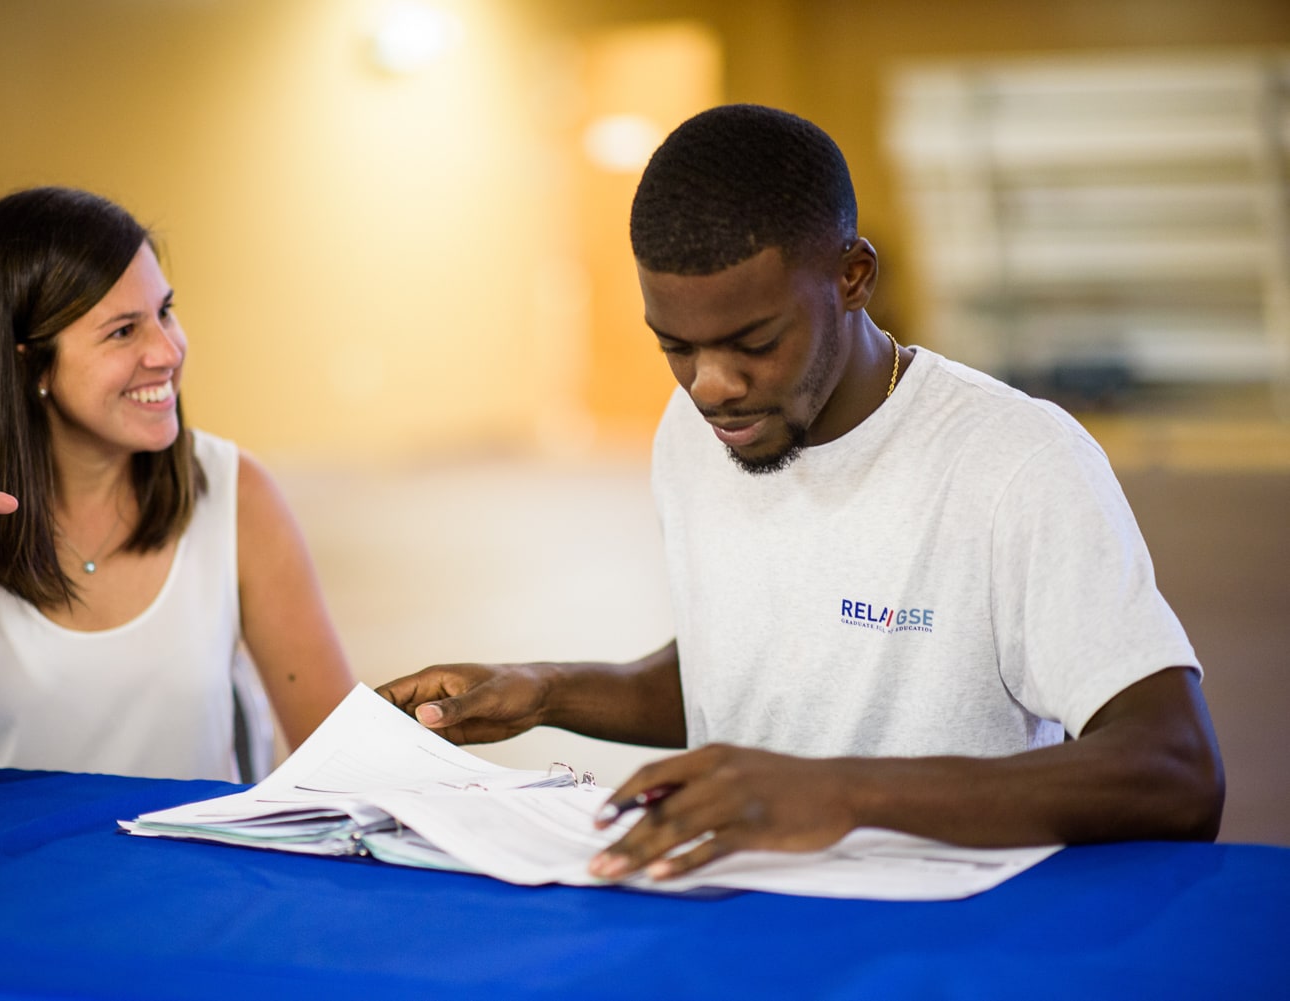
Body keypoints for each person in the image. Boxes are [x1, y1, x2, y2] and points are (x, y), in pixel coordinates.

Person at [379, 104, 1224, 882]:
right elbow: (751, 671)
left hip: (946, 939)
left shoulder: (1014, 461)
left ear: (853, 276)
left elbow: (1176, 767)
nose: (711, 385)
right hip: (739, 919)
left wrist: (840, 794)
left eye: (753, 342)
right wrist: (549, 688)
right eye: (676, 346)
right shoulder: (695, 432)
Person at [0, 186, 355, 791]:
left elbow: (341, 758)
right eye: (123, 332)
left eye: (164, 312)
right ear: (29, 363)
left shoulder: (234, 490)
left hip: (191, 877)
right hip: (16, 879)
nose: (168, 351)